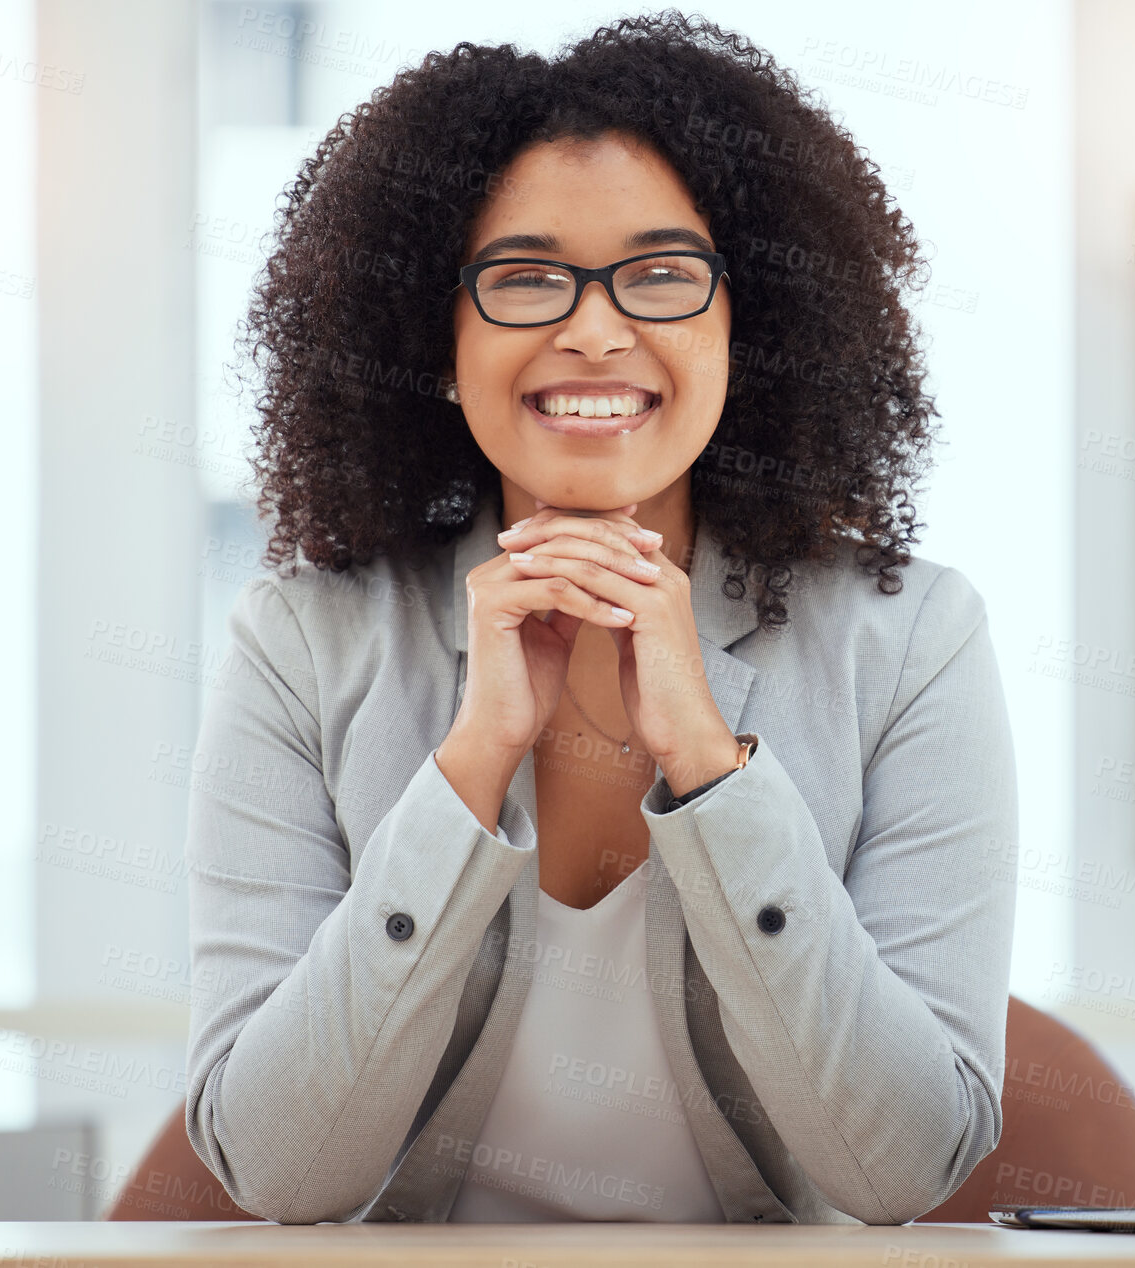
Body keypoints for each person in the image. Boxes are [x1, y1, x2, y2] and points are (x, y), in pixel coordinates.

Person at [184, 11, 1018, 1227]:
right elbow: (275, 1170)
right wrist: (467, 768)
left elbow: (901, 1166)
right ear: (437, 332)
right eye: (524, 276)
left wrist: (712, 771)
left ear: (754, 323)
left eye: (661, 272)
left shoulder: (912, 641)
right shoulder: (299, 643)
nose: (591, 326)